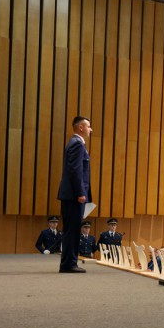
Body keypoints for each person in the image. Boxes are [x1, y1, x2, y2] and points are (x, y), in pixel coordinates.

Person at [57, 116, 92, 273]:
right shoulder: (77, 144)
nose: (90, 129)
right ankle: (69, 264)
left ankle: (69, 263)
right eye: (88, 126)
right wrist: (80, 193)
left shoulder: (76, 143)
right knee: (72, 231)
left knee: (71, 230)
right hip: (74, 196)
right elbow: (75, 170)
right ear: (80, 128)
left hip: (72, 195)